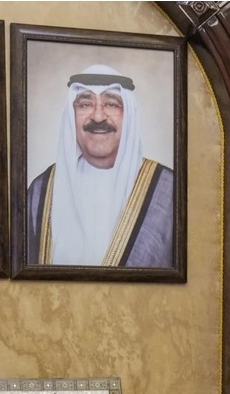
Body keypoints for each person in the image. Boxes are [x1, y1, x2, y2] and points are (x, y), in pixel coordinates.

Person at [26, 64, 174, 267]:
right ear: (71, 115)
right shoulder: (41, 191)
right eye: (85, 104)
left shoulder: (168, 192)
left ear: (129, 115)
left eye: (112, 104)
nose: (97, 117)